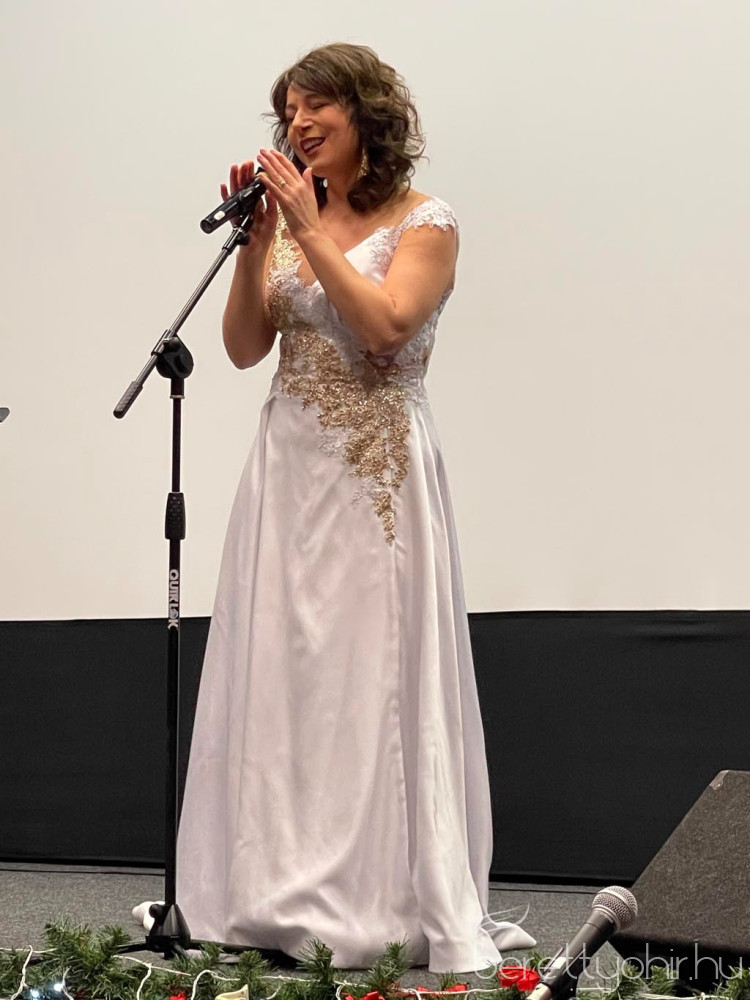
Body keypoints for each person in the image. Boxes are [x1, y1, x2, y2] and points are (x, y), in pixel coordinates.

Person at [174, 42, 535, 972]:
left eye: (316, 109)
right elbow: (246, 349)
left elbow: (386, 330)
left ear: (365, 115)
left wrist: (310, 230)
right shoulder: (292, 219)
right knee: (285, 675)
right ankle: (272, 886)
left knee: (365, 679)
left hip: (376, 474)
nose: (297, 126)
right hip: (287, 471)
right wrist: (260, 244)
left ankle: (379, 899)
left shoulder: (426, 222)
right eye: (289, 111)